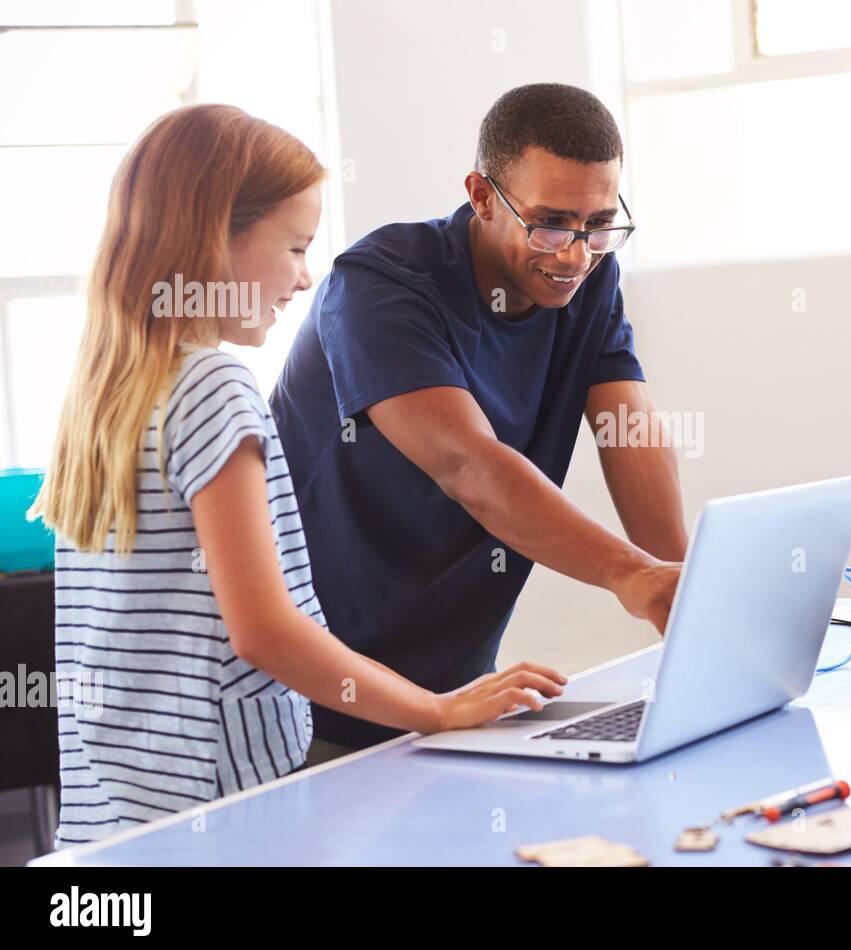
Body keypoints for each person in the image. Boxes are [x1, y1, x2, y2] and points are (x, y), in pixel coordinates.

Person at [31, 104, 565, 844]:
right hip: (219, 814)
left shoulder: (104, 392)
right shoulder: (214, 388)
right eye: (293, 247)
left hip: (117, 818)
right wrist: (437, 709)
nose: (305, 278)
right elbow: (265, 632)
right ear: (217, 236)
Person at [270, 83, 687, 754]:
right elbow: (469, 466)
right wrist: (629, 573)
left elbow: (628, 427)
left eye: (598, 224)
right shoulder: (379, 285)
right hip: (318, 700)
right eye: (550, 223)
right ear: (483, 195)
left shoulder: (588, 280)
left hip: (458, 697)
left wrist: (684, 587)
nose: (575, 253)